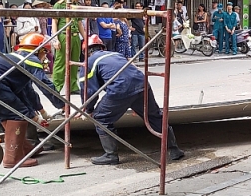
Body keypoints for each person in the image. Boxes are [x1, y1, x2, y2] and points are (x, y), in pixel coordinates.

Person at [78, 35, 185, 165]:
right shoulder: (115, 55)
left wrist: (88, 110)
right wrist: (135, 104)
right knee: (155, 116)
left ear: (85, 51)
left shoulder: (89, 62)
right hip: (142, 83)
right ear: (102, 47)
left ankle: (111, 155)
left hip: (120, 88)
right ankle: (174, 149)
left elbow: (88, 90)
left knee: (100, 118)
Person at [0, 33, 64, 167]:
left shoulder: (15, 60)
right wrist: (63, 105)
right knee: (18, 115)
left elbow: (27, 92)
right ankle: (13, 159)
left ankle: (24, 149)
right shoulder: (30, 59)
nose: (45, 58)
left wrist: (41, 114)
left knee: (8, 114)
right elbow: (44, 84)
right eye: (45, 54)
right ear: (41, 50)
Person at [51, 0, 86, 94]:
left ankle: (73, 87)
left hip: (76, 37)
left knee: (75, 63)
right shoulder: (59, 5)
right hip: (63, 36)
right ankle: (56, 87)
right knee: (60, 63)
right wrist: (55, 39)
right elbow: (54, 22)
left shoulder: (77, 5)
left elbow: (80, 23)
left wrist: (86, 39)